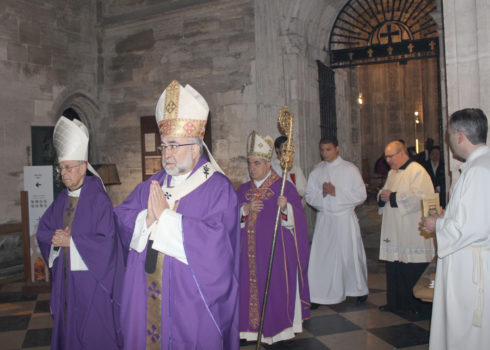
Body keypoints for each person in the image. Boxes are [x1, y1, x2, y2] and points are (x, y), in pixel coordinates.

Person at [114, 80, 240, 350]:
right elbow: (122, 215)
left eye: (174, 146)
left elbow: (218, 245)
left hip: (190, 305)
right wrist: (145, 220)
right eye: (164, 146)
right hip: (146, 301)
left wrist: (167, 220)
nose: (167, 154)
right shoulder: (153, 183)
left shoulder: (218, 188)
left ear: (196, 148)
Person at [36, 116, 121, 350]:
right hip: (65, 283)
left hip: (91, 285)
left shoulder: (99, 199)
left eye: (68, 167)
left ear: (84, 167)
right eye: (61, 168)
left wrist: (72, 242)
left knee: (92, 335)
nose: (63, 174)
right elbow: (44, 230)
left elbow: (108, 244)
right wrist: (54, 242)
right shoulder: (62, 198)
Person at [422, 108, 490, 349]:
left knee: (469, 334)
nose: (448, 141)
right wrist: (446, 216)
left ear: (460, 136)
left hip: (471, 268)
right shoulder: (479, 165)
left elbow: (475, 227)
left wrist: (437, 224)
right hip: (470, 261)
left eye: (449, 134)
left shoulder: (479, 170)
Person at [237, 131, 310, 345]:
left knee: (275, 291)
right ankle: (250, 332)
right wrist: (244, 210)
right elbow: (229, 220)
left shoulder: (285, 187)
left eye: (257, 163)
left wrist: (286, 207)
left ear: (268, 164)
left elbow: (299, 223)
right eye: (250, 163)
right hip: (248, 257)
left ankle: (277, 330)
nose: (252, 168)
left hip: (277, 255)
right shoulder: (243, 190)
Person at [305, 136, 369, 307]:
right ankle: (319, 294)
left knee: (348, 255)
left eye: (328, 149)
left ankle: (356, 290)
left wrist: (336, 192)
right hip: (325, 220)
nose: (324, 153)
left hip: (344, 220)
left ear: (337, 149)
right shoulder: (317, 171)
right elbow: (310, 196)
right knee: (323, 257)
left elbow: (361, 195)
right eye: (322, 150)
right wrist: (323, 194)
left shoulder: (350, 169)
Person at [378, 140, 435, 315]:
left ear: (402, 153)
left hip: (411, 229)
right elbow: (384, 192)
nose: (388, 160)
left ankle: (416, 306)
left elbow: (422, 196)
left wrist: (394, 197)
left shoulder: (418, 171)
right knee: (395, 266)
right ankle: (395, 303)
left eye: (390, 156)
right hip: (394, 229)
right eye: (386, 157)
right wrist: (383, 196)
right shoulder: (392, 173)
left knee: (411, 267)